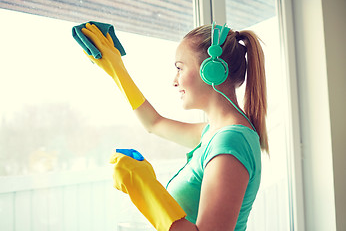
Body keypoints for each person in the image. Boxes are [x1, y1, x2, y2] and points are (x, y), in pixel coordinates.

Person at [78, 22, 268, 231]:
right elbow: (154, 123)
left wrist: (143, 186)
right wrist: (116, 69)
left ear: (211, 71)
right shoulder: (213, 134)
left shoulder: (231, 141)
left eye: (180, 68)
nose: (174, 81)